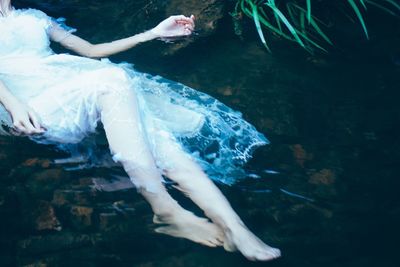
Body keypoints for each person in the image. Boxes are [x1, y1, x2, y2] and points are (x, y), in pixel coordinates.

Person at [0, 0, 281, 261]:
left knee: (156, 135)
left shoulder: (34, 17)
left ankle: (233, 226)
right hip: (35, 105)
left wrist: (153, 33)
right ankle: (162, 205)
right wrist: (13, 104)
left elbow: (91, 50)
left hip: (70, 84)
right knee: (112, 78)